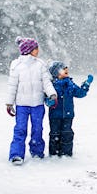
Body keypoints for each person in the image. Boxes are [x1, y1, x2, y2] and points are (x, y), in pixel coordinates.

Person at [5, 36, 57, 165]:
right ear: (29, 50)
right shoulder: (16, 65)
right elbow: (12, 86)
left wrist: (52, 94)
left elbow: (46, 82)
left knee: (37, 129)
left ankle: (37, 152)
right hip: (22, 105)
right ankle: (16, 154)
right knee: (20, 129)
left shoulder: (40, 65)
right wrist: (9, 103)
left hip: (37, 105)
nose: (38, 50)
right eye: (36, 48)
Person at [47, 61, 93, 157]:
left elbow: (80, 93)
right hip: (55, 115)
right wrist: (49, 101)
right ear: (57, 73)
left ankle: (66, 153)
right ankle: (54, 153)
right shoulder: (51, 86)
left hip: (68, 115)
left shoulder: (70, 84)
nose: (67, 70)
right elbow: (46, 98)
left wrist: (86, 84)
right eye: (64, 69)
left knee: (67, 133)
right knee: (55, 134)